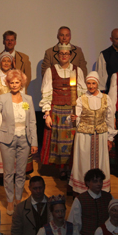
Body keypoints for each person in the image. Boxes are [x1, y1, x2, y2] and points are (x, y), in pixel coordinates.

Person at [0, 69, 38, 215]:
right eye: (12, 82)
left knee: (21, 172)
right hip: (7, 139)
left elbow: (32, 121)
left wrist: (34, 142)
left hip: (24, 138)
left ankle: (19, 200)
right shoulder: (3, 98)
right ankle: (10, 201)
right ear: (8, 83)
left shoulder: (28, 99)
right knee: (9, 172)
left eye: (17, 82)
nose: (15, 85)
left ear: (21, 83)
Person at [40, 43, 86, 180]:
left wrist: (80, 111)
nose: (64, 56)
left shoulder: (78, 70)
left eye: (66, 54)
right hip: (57, 110)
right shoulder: (51, 70)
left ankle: (72, 167)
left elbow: (82, 92)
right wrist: (47, 114)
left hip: (72, 110)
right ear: (58, 55)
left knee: (72, 140)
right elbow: (46, 92)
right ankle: (61, 169)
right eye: (61, 54)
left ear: (70, 55)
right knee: (59, 141)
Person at [68, 72, 117, 194]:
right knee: (83, 161)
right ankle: (83, 188)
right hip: (84, 136)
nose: (91, 86)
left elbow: (110, 118)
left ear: (97, 84)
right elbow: (76, 116)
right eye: (88, 83)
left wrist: (110, 138)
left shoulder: (106, 98)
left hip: (100, 135)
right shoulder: (81, 99)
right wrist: (73, 118)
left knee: (100, 162)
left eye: (93, 83)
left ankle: (100, 188)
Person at [68, 168, 113, 235]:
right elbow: (74, 223)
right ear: (88, 183)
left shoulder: (108, 197)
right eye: (95, 181)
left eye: (100, 181)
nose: (99, 184)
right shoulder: (80, 199)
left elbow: (113, 219)